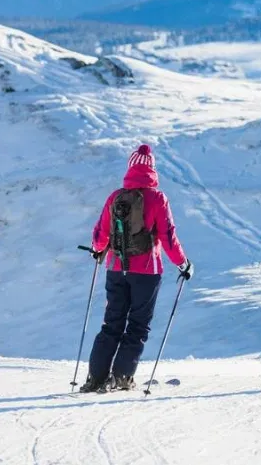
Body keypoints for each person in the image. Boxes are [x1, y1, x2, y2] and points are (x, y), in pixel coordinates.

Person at [80, 144, 193, 393]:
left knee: (111, 324)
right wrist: (183, 264)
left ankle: (95, 378)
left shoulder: (116, 196)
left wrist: (98, 250)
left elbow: (100, 234)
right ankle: (121, 377)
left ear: (131, 167)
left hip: (115, 268)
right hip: (147, 273)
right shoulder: (158, 198)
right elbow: (168, 237)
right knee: (138, 325)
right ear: (152, 169)